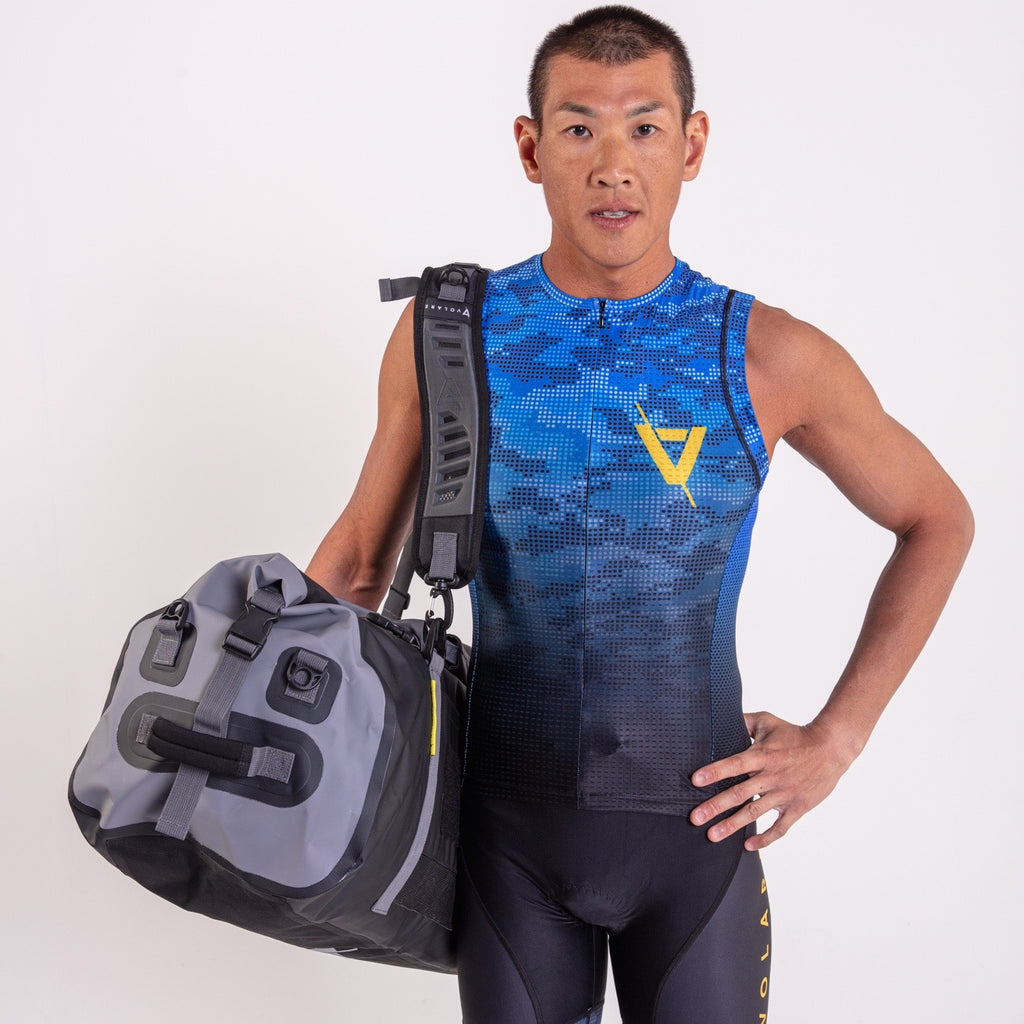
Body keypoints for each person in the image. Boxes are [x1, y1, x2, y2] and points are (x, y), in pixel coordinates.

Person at [307, 6, 973, 1022]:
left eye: (645, 127)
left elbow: (937, 518)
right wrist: (264, 720)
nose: (613, 164)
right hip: (506, 848)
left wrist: (837, 738)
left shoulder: (769, 354)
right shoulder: (451, 336)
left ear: (691, 145)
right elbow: (356, 562)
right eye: (579, 128)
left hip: (698, 846)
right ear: (531, 149)